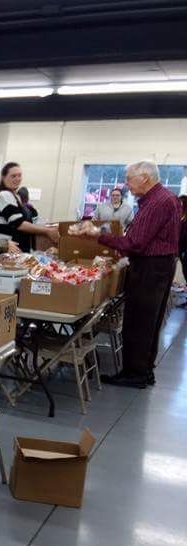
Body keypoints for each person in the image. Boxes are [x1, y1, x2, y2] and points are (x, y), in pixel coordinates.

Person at [80, 161, 179, 388]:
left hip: (150, 268)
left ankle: (134, 373)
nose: (126, 184)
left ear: (145, 177)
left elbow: (135, 242)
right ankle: (143, 370)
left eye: (129, 179)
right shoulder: (164, 198)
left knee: (138, 321)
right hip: (159, 266)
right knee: (149, 322)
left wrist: (98, 235)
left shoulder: (156, 203)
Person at [0, 162, 59, 251]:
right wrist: (47, 231)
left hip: (17, 249)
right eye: (13, 176)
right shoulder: (4, 195)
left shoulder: (15, 196)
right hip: (9, 248)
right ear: (4, 178)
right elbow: (19, 224)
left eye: (19, 175)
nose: (17, 179)